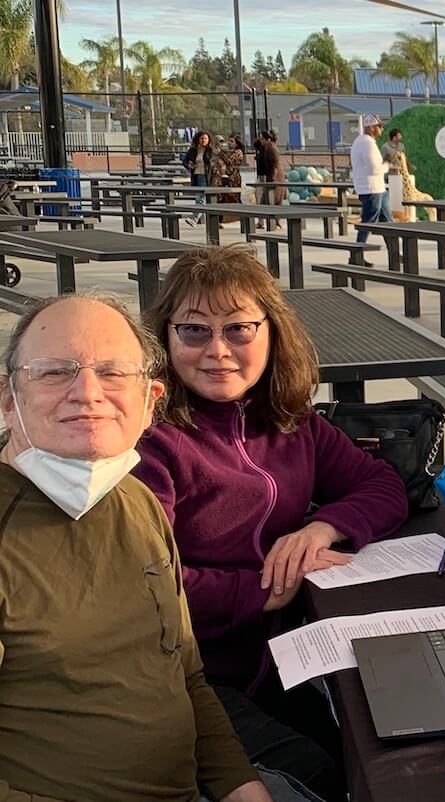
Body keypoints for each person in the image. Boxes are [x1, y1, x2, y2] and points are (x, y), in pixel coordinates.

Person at [133, 245, 410, 802]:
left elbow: (383, 486)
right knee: (324, 773)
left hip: (281, 658)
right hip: (193, 674)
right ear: (164, 339)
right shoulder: (151, 442)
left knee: (386, 745)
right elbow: (150, 584)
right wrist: (267, 590)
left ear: (271, 332)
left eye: (238, 329)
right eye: (193, 331)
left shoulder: (289, 420)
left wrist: (321, 528)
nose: (217, 351)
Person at [0, 294, 285, 802]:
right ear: (8, 398)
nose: (86, 393)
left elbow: (185, 675)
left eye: (113, 373)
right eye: (52, 372)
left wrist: (240, 785)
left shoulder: (135, 499)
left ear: (150, 401)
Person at [350, 114, 389, 261]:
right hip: (371, 189)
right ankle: (356, 255)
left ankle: (394, 252)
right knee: (368, 222)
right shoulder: (368, 143)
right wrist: (387, 166)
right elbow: (374, 169)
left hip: (377, 188)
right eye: (379, 126)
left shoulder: (360, 141)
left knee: (388, 223)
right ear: (372, 127)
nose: (382, 129)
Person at [183, 130, 217, 225]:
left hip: (208, 176)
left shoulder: (211, 151)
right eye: (202, 138)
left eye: (205, 138)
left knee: (201, 198)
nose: (203, 140)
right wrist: (189, 165)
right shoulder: (193, 151)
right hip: (197, 175)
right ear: (198, 139)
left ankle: (195, 219)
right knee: (201, 198)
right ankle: (208, 220)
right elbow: (185, 161)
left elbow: (215, 162)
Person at [254, 131, 281, 205]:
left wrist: (273, 178)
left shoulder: (271, 149)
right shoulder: (265, 148)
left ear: (268, 139)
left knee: (270, 198)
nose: (261, 141)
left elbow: (275, 164)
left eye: (262, 139)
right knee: (265, 198)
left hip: (270, 178)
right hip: (267, 176)